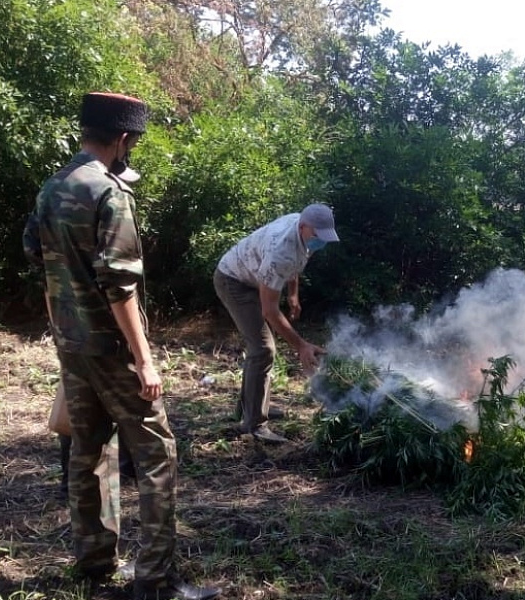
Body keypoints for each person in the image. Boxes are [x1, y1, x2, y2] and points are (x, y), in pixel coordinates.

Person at [24, 92, 220, 600]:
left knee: (87, 452)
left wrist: (64, 329)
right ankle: (155, 581)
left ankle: (93, 563)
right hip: (111, 350)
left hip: (72, 345)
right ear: (123, 139)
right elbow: (120, 287)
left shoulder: (53, 187)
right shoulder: (109, 194)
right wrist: (144, 359)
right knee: (157, 455)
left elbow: (41, 261)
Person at [213, 203, 340, 443]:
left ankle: (252, 406)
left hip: (254, 278)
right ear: (303, 227)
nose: (321, 243)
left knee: (262, 347)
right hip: (234, 282)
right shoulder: (279, 250)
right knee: (264, 349)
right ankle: (254, 426)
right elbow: (270, 310)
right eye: (318, 236)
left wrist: (293, 294)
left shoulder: (302, 230)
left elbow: (296, 262)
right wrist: (301, 346)